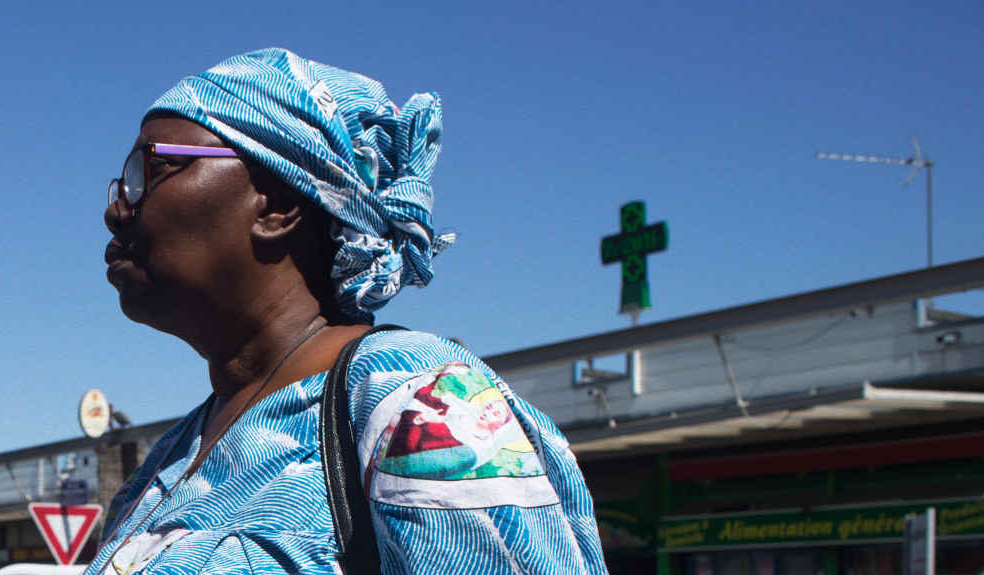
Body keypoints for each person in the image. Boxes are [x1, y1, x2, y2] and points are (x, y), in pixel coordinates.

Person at [89, 48, 607, 574]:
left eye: (152, 170)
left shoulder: (417, 398)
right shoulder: (164, 463)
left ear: (279, 204)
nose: (118, 207)